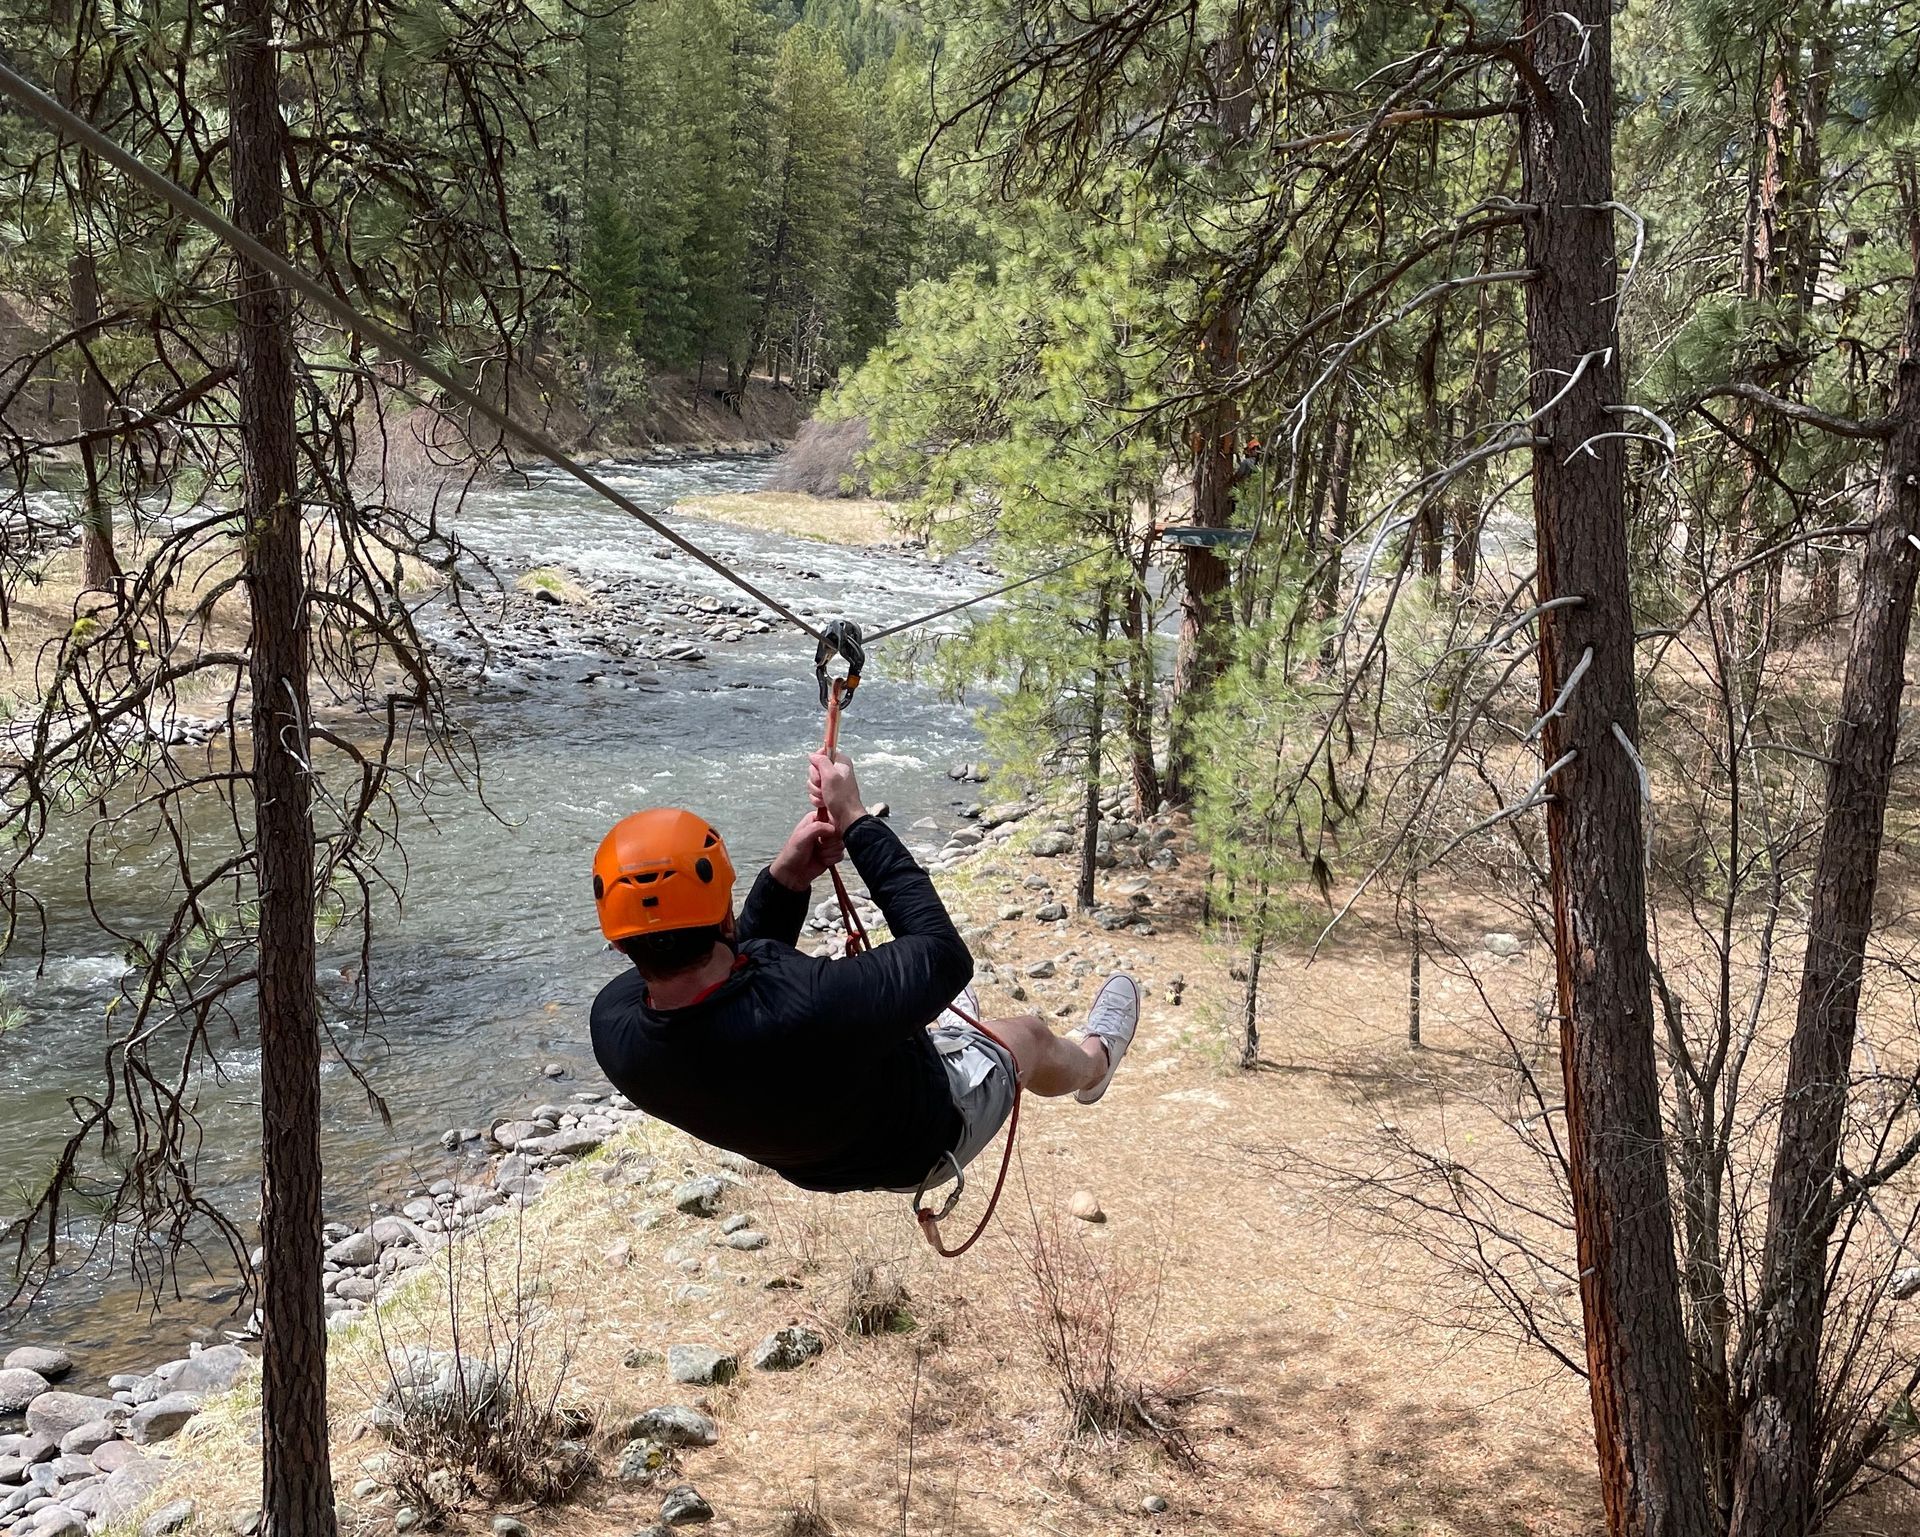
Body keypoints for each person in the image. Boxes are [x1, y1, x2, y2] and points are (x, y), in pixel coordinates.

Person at [587, 746, 1139, 1197]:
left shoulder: (613, 1030)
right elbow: (943, 955)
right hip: (929, 1134)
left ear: (617, 944)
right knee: (1030, 1035)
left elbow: (722, 984)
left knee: (913, 1008)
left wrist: (786, 880)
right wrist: (857, 821)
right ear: (725, 915)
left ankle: (943, 1031)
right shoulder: (813, 1004)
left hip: (817, 1154)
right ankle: (1093, 1065)